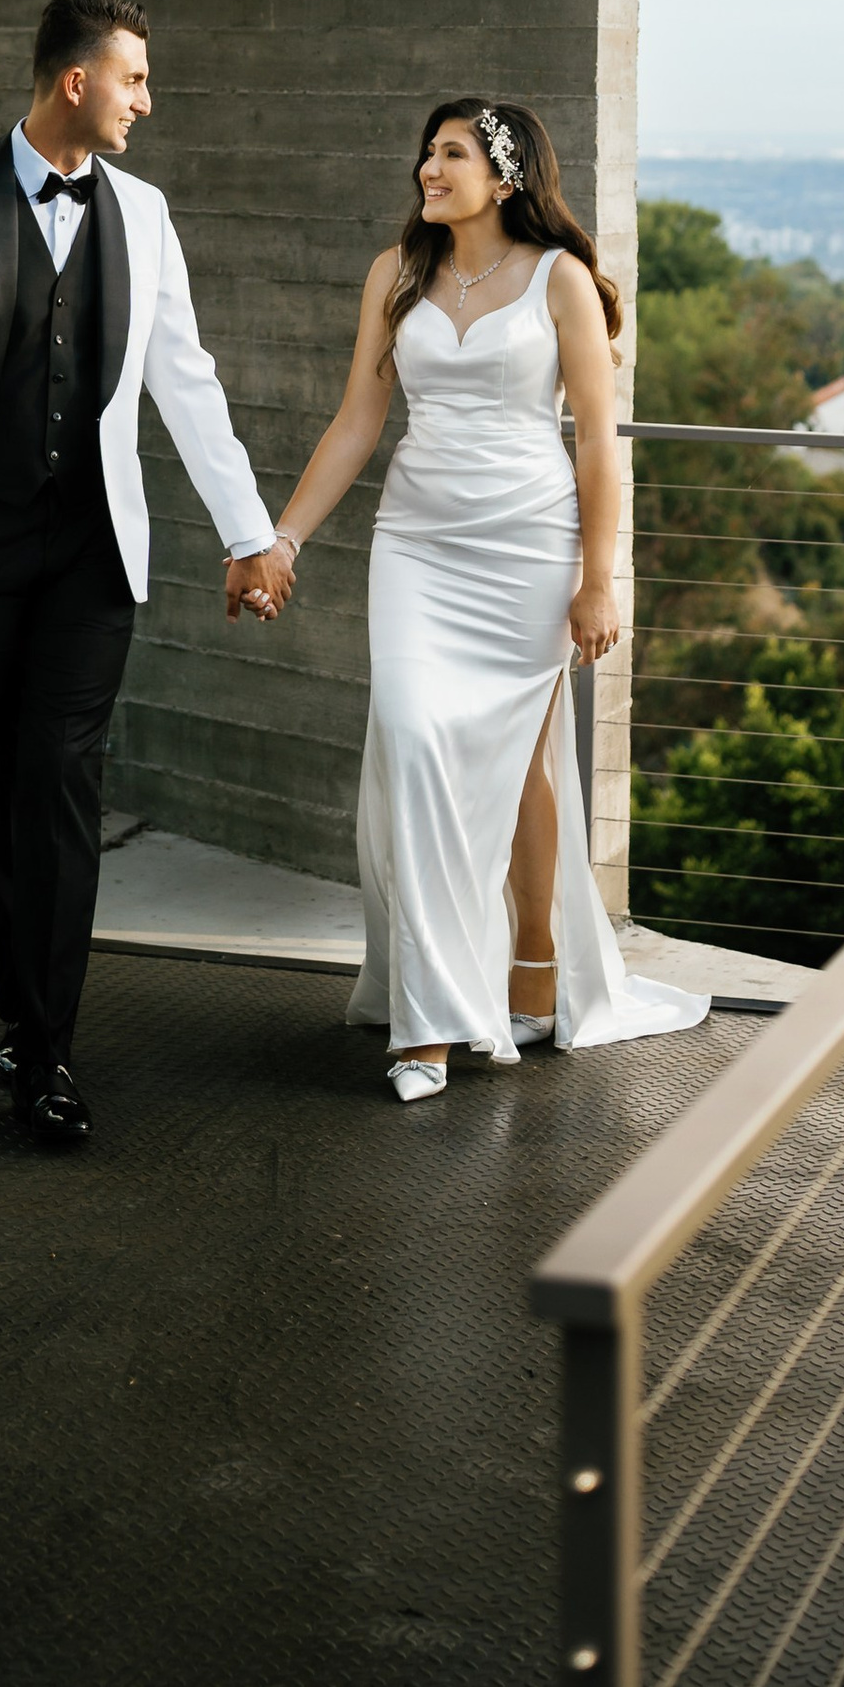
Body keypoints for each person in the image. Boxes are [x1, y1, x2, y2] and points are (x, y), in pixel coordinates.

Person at [0, 0, 293, 1147]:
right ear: (76, 81)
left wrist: (248, 531)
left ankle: (43, 1054)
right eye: (135, 78)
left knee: (58, 780)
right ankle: (23, 1011)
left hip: (91, 550)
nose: (148, 101)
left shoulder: (143, 214)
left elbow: (185, 381)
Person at [258, 98, 706, 1102]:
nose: (428, 164)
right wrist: (283, 538)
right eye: (425, 149)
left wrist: (600, 578)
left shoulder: (562, 283)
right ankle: (429, 1018)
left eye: (451, 152)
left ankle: (536, 964)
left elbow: (596, 436)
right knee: (414, 743)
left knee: (521, 772)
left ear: (504, 178)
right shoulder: (395, 274)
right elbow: (355, 424)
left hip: (529, 549)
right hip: (416, 547)